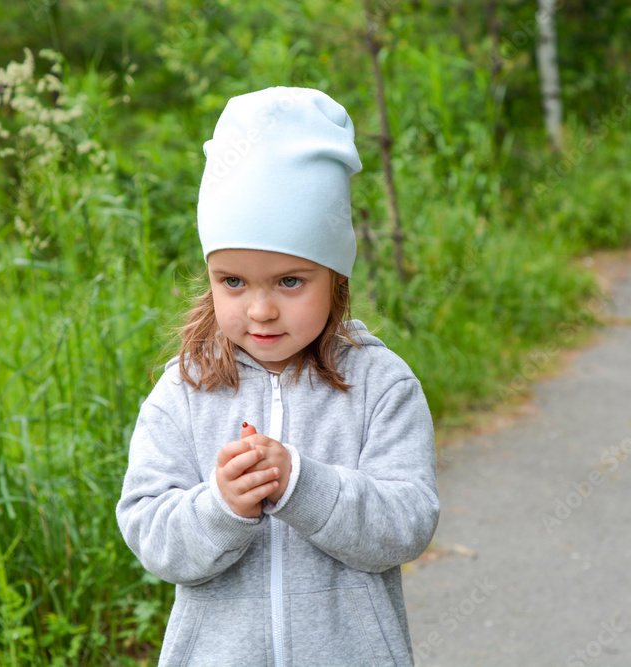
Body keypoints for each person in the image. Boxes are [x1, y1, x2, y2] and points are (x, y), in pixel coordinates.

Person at [116, 86, 440, 667]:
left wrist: (302, 485)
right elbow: (149, 530)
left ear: (336, 277)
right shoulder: (184, 392)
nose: (260, 309)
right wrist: (221, 506)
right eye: (233, 281)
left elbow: (406, 523)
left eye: (290, 281)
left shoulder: (380, 384)